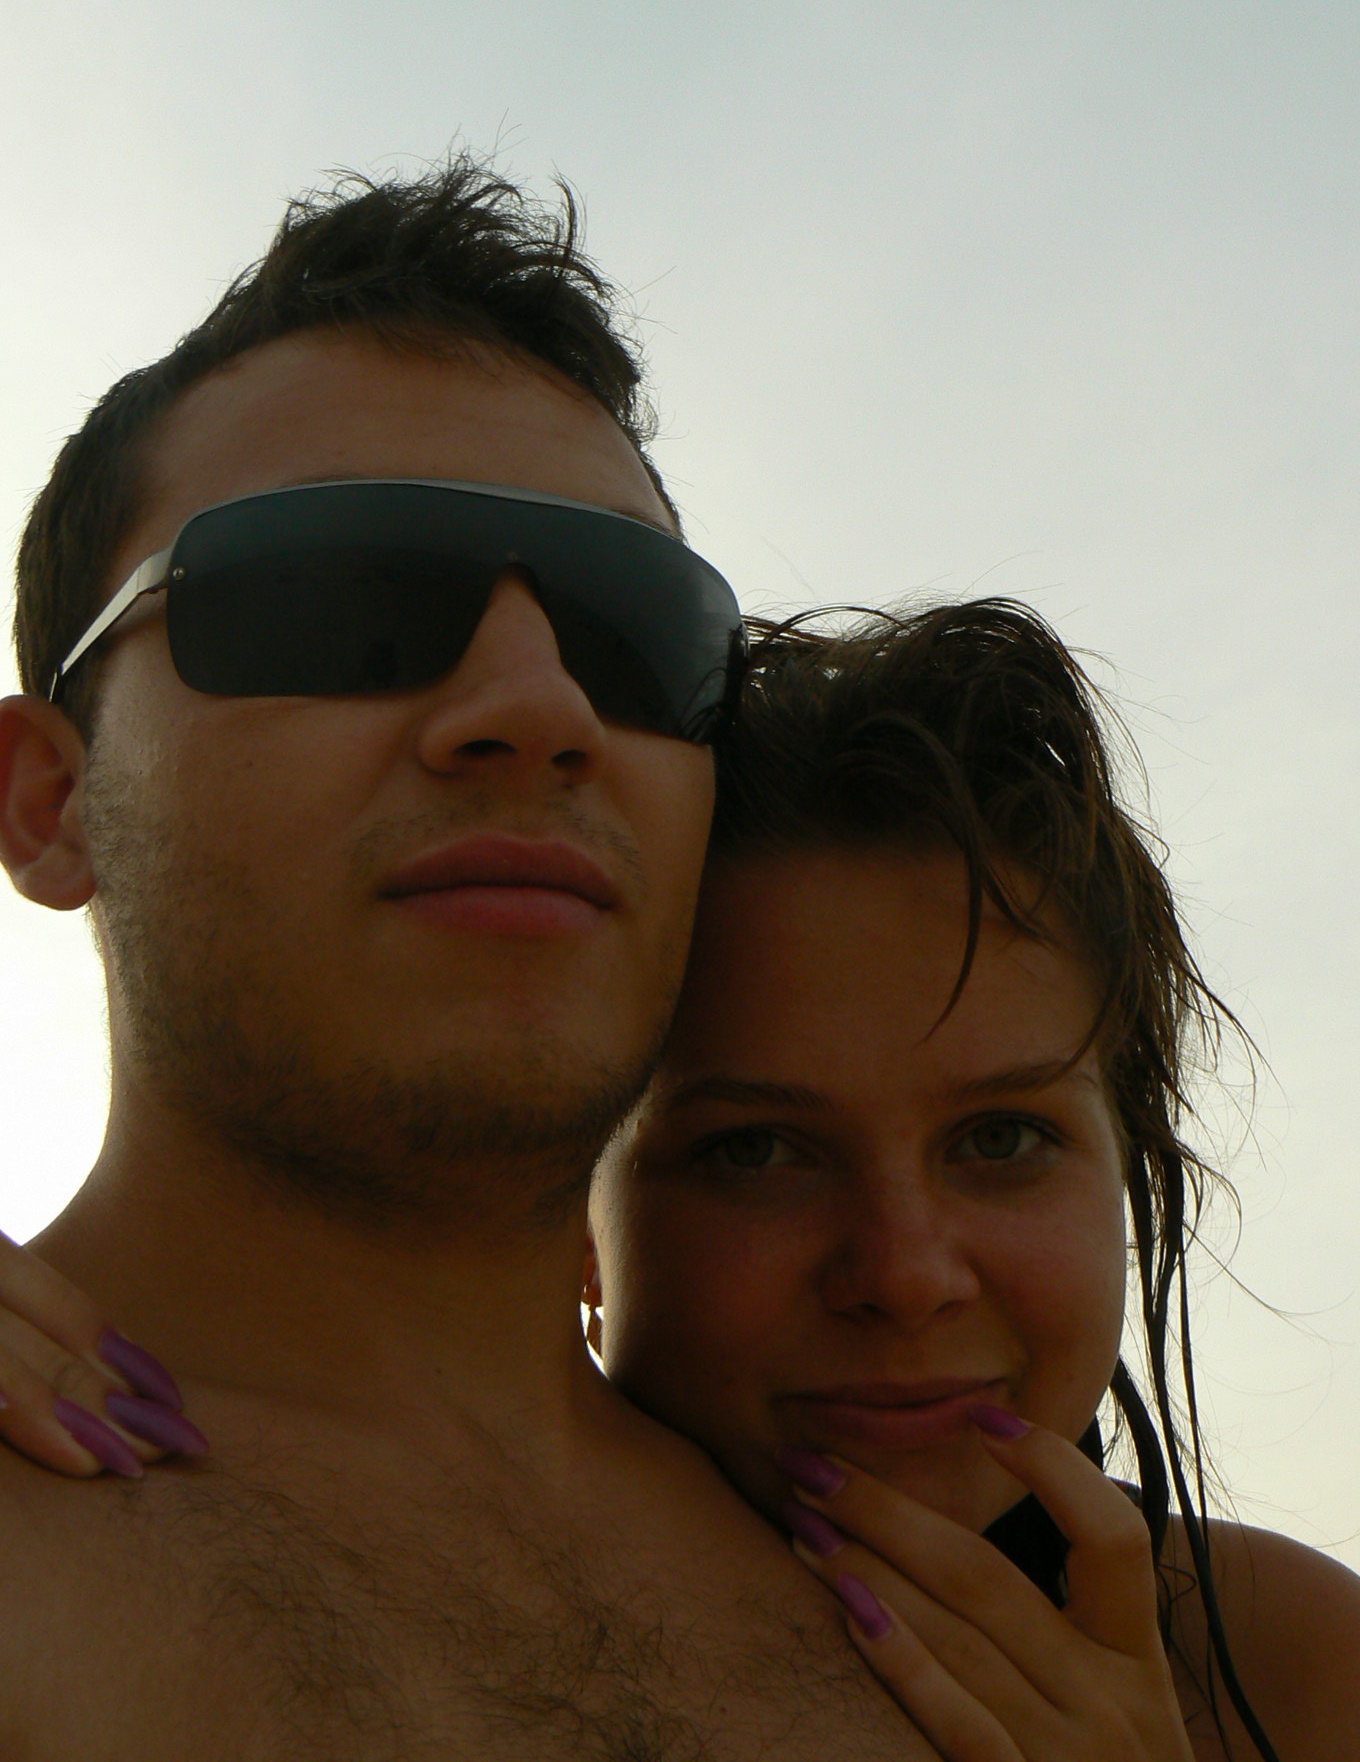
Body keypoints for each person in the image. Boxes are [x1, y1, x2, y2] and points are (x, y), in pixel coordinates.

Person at [4, 549, 1358, 1750]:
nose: (905, 1275)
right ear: (570, 1213)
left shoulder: (1277, 1663)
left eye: (1002, 1139)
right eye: (758, 1153)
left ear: (1126, 1159)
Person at [0, 157, 943, 1759]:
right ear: (49, 801)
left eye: (635, 634)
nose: (541, 706)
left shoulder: (985, 1615)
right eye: (348, 597)